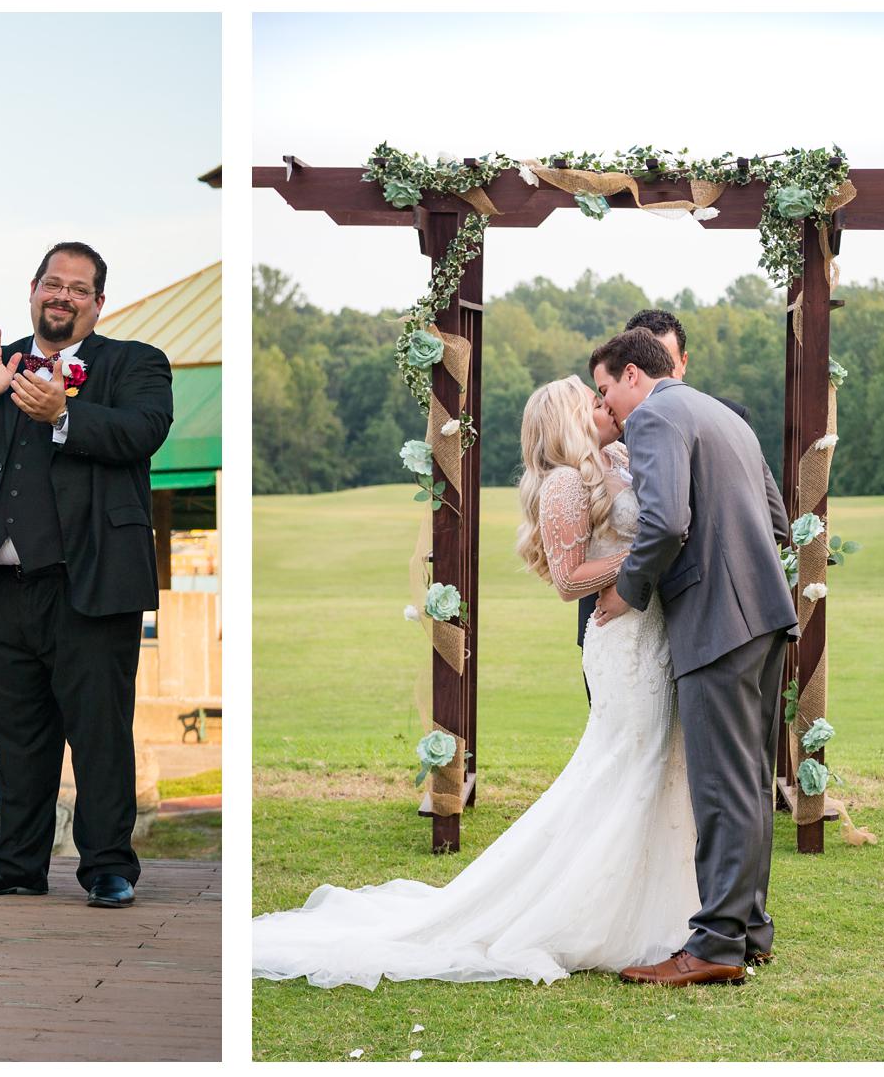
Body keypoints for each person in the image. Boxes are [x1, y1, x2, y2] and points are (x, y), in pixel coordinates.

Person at [252, 375, 698, 989]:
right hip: (620, 642)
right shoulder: (564, 483)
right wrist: (645, 556)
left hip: (656, 636)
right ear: (568, 418)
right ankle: (591, 911)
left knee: (660, 762)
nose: (603, 406)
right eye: (589, 401)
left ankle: (668, 904)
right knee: (625, 762)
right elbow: (569, 580)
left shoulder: (617, 459)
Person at [0, 242, 172, 910]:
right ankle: (16, 862)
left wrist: (63, 413)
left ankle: (108, 866)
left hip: (88, 587)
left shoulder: (134, 364)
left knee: (99, 732)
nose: (62, 296)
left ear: (97, 303)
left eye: (78, 288)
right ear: (31, 290)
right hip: (0, 589)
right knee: (16, 736)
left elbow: (143, 432)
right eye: (52, 284)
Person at [590, 329, 797, 987]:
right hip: (766, 614)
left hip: (717, 622)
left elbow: (667, 523)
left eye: (603, 389)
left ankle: (714, 947)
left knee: (719, 787)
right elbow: (778, 522)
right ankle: (749, 929)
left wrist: (628, 592)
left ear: (630, 375)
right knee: (750, 783)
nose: (608, 407)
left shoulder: (654, 417)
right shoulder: (720, 414)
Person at [576, 310, 751, 655]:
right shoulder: (606, 430)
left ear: (681, 363)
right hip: (616, 616)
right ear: (629, 368)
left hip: (703, 615)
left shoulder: (722, 416)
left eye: (665, 361)